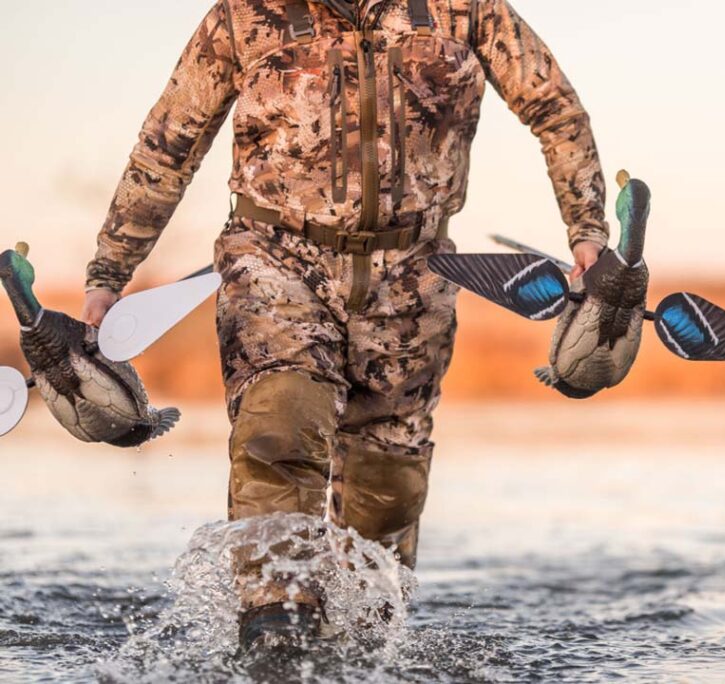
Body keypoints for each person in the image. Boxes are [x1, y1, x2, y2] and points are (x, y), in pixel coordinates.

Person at [82, 0, 609, 646]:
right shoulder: (243, 15)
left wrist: (587, 235)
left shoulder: (468, 9)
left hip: (415, 274)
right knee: (279, 423)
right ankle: (274, 628)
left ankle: (363, 642)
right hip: (275, 257)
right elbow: (168, 146)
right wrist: (109, 275)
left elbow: (554, 108)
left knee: (390, 488)